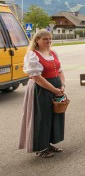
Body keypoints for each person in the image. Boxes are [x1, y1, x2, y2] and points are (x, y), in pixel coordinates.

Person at [19, 30, 66, 158]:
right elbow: (37, 78)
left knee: (53, 117)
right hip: (40, 90)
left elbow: (60, 71)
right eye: (45, 39)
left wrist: (62, 85)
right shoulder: (32, 55)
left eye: (50, 39)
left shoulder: (53, 53)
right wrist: (55, 90)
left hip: (55, 89)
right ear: (37, 40)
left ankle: (48, 144)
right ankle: (40, 147)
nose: (48, 41)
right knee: (41, 118)